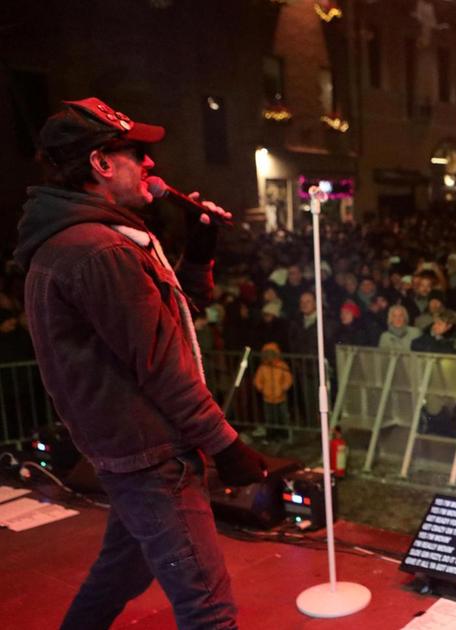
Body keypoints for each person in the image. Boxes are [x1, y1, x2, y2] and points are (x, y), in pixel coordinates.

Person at [14, 98, 268, 629]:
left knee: (119, 575)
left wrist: (198, 254)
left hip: (130, 453)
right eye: (137, 153)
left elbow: (167, 321)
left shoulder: (94, 239)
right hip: (151, 460)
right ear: (101, 164)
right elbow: (160, 364)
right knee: (209, 608)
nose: (152, 165)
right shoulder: (99, 250)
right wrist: (227, 445)